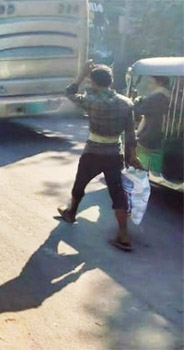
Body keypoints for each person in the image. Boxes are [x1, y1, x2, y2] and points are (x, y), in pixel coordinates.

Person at [57, 62, 142, 252]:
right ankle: (123, 234)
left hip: (93, 152)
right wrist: (132, 156)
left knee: (80, 184)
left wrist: (80, 76)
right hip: (114, 154)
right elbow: (130, 134)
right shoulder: (126, 103)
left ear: (94, 83)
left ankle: (71, 213)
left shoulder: (91, 100)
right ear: (111, 82)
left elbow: (69, 93)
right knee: (117, 192)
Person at [134, 76, 170, 150]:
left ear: (160, 83)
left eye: (151, 83)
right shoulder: (169, 95)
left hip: (149, 135)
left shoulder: (155, 97)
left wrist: (137, 101)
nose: (148, 86)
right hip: (163, 134)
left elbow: (137, 110)